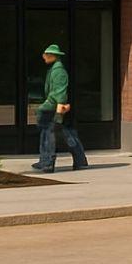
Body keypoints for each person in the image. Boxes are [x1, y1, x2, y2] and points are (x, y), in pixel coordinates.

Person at [32, 44, 89, 174]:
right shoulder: (55, 70)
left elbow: (60, 93)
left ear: (53, 56)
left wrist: (59, 113)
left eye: (46, 54)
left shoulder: (58, 72)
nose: (43, 57)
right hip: (53, 107)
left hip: (53, 108)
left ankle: (47, 162)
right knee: (66, 134)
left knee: (50, 135)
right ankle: (80, 161)